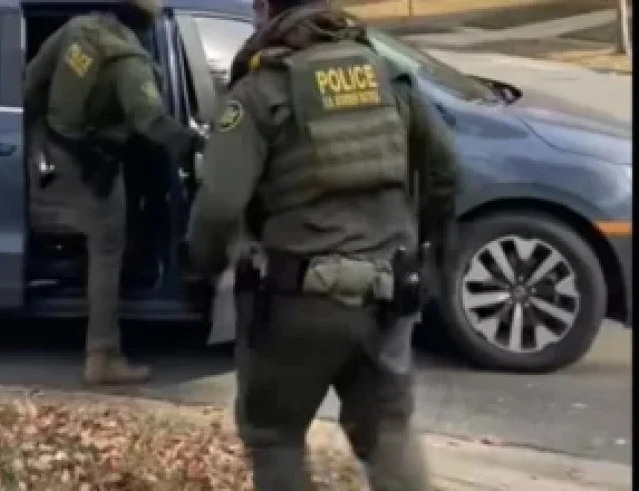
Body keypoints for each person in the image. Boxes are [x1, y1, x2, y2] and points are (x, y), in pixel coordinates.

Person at [186, 0, 459, 489]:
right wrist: (428, 250)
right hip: (389, 291)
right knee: (388, 432)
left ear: (266, 9)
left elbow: (221, 204)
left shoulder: (260, 91)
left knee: (274, 436)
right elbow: (444, 175)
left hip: (297, 300)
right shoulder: (387, 77)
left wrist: (204, 265)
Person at [25, 0, 203, 386]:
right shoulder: (130, 60)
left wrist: (33, 141)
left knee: (94, 239)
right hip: (93, 165)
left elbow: (31, 83)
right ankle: (102, 355)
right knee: (107, 249)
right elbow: (150, 121)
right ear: (146, 23)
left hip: (53, 151)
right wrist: (196, 145)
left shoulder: (77, 30)